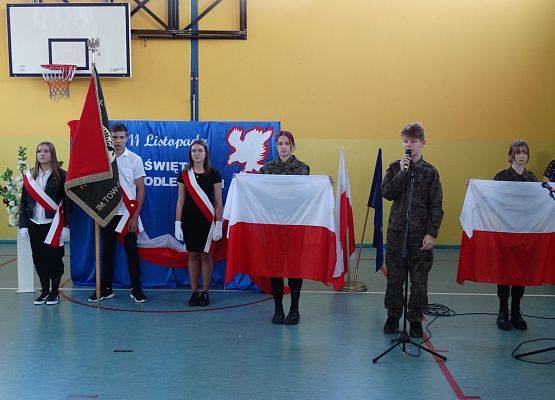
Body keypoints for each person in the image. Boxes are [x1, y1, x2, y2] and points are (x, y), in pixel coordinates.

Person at [382, 122, 444, 338]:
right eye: (406, 141)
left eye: (414, 141)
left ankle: (415, 319)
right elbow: (387, 193)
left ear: (423, 143)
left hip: (420, 237)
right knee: (395, 279)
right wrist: (401, 172)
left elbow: (436, 206)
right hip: (397, 234)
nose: (409, 145)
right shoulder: (394, 167)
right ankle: (393, 316)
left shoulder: (430, 172)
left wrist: (431, 234)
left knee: (418, 282)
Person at [88, 123, 147, 303]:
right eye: (114, 137)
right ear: (110, 139)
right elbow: (96, 188)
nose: (118, 140)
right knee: (107, 252)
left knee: (132, 252)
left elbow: (141, 190)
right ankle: (106, 289)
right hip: (108, 213)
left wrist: (135, 216)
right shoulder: (103, 160)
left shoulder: (135, 159)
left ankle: (136, 289)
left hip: (128, 214)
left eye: (121, 137)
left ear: (127, 138)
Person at [260, 130, 310, 325]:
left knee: (294, 268)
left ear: (292, 146)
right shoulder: (266, 170)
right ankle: (278, 309)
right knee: (275, 267)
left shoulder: (302, 168)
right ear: (276, 146)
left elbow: (306, 194)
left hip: (295, 226)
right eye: (279, 143)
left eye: (286, 143)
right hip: (274, 226)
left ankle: (294, 309)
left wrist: (322, 184)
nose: (283, 147)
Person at [493, 140, 537, 331]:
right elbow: (491, 200)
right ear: (511, 154)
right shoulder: (501, 177)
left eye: (525, 153)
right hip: (505, 233)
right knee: (504, 274)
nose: (521, 156)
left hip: (524, 234)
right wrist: (476, 187)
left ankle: (516, 312)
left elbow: (538, 204)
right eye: (518, 152)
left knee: (520, 274)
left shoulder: (531, 179)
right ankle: (503, 312)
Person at [19, 142, 71, 305]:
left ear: (52, 154)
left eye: (46, 151)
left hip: (53, 225)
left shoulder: (62, 176)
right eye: (39, 151)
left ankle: (54, 292)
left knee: (55, 259)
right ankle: (44, 291)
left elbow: (68, 203)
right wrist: (23, 225)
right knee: (39, 258)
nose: (42, 154)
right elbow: (23, 202)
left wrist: (65, 226)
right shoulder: (30, 176)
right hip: (34, 223)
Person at [175, 140, 223, 306]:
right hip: (189, 221)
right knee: (192, 256)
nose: (197, 153)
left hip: (208, 222)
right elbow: (180, 201)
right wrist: (177, 223)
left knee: (206, 256)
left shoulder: (214, 174)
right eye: (194, 151)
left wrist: (219, 224)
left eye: (200, 150)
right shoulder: (184, 175)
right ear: (190, 154)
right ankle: (194, 292)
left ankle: (205, 292)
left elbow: (218, 202)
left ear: (205, 153)